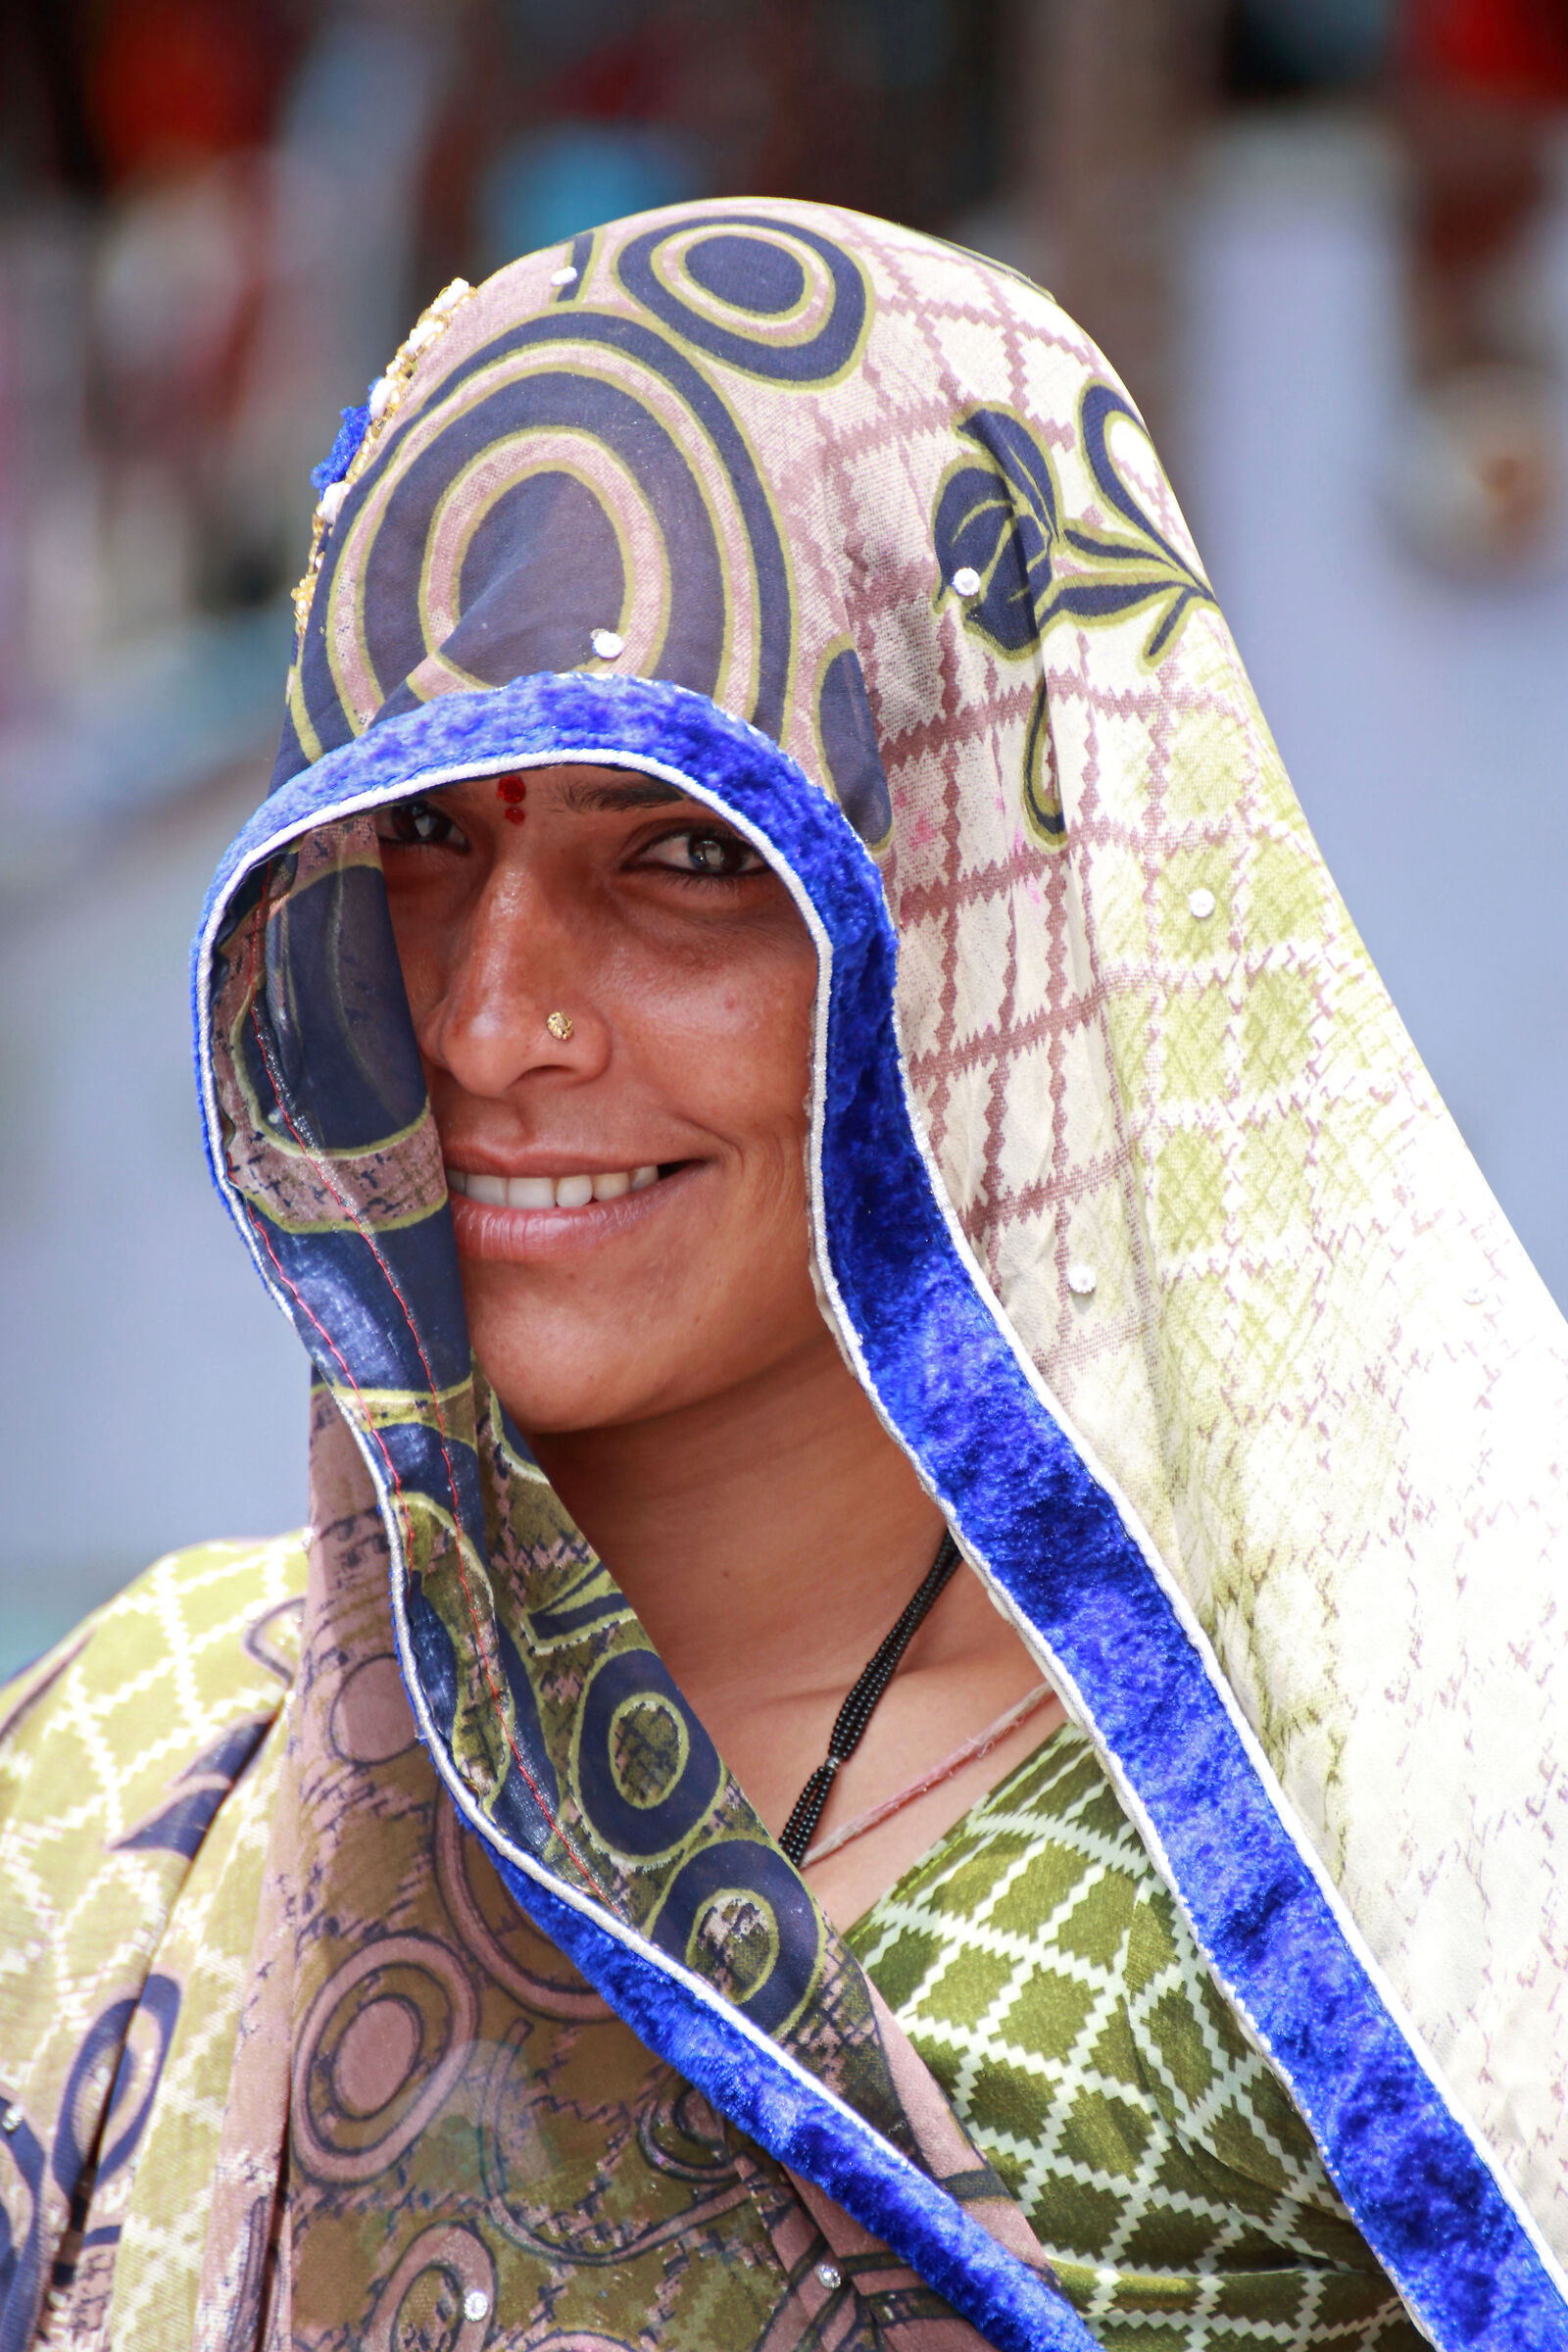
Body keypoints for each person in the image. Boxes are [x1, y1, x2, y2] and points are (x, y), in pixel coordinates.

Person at [1, 201, 1563, 2351]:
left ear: (982, 890)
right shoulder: (139, 1762)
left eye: (681, 856)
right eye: (425, 840)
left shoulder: (1385, 1885)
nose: (487, 1024)